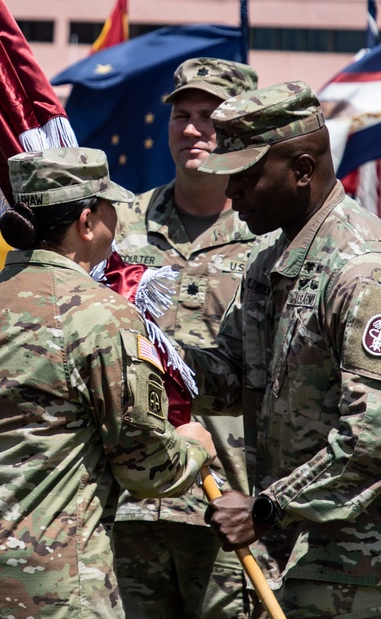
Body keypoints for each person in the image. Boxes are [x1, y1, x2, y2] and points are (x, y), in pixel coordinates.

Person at [189, 82, 381, 618]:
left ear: (303, 169)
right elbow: (229, 374)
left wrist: (268, 509)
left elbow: (377, 435)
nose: (232, 194)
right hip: (308, 544)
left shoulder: (365, 270)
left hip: (378, 557)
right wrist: (146, 351)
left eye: (246, 177)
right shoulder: (270, 266)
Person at [0, 147, 217, 619]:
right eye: (110, 208)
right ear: (87, 220)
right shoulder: (102, 314)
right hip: (50, 587)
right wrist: (195, 445)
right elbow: (148, 468)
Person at [112, 58, 259, 619]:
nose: (193, 129)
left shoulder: (267, 232)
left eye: (210, 116)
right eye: (182, 115)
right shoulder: (121, 224)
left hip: (227, 500)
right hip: (132, 494)